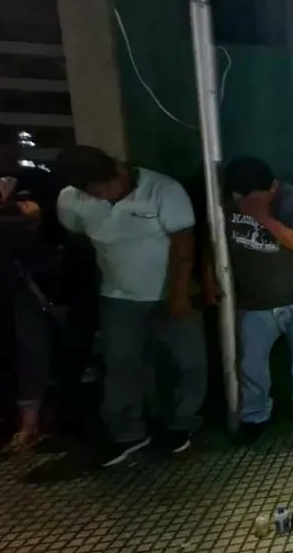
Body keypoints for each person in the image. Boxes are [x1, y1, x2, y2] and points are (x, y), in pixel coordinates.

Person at [54, 146, 206, 466]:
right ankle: (127, 433)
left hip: (170, 291)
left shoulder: (163, 189)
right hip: (118, 295)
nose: (104, 195)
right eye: (95, 192)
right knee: (120, 364)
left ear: (119, 169)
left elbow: (185, 245)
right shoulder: (70, 200)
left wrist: (179, 295)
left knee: (185, 361)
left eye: (108, 186)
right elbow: (79, 238)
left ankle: (181, 423)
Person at [223, 157, 293, 441]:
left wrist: (264, 219)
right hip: (252, 300)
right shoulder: (227, 199)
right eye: (241, 198)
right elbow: (213, 241)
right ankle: (254, 414)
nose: (246, 203)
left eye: (255, 198)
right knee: (251, 365)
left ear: (272, 188)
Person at [0, 134, 63, 454]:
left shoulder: (36, 179)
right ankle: (8, 416)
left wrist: (23, 210)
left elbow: (54, 215)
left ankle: (40, 416)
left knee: (35, 346)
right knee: (2, 348)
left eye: (8, 149)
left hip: (34, 277)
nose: (3, 156)